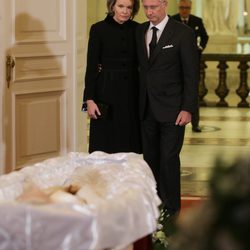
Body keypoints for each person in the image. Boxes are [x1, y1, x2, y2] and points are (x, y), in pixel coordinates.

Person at [136, 0, 199, 216]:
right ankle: (154, 208)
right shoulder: (140, 31)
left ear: (164, 4)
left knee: (169, 160)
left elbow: (191, 75)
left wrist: (187, 108)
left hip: (173, 110)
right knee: (150, 160)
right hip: (146, 109)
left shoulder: (183, 33)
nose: (149, 12)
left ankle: (172, 211)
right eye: (146, 7)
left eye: (153, 7)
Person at [82, 0, 142, 154]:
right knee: (105, 146)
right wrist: (89, 100)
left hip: (132, 93)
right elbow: (91, 67)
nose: (125, 11)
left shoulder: (138, 29)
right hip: (106, 92)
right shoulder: (98, 29)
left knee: (130, 148)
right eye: (121, 6)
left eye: (129, 7)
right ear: (112, 6)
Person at [172, 0, 209, 132]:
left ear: (190, 8)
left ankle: (195, 123)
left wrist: (199, 49)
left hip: (192, 63)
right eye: (182, 8)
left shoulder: (196, 21)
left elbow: (205, 37)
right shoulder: (172, 19)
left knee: (193, 92)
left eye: (187, 8)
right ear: (179, 8)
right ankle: (173, 120)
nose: (184, 10)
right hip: (175, 65)